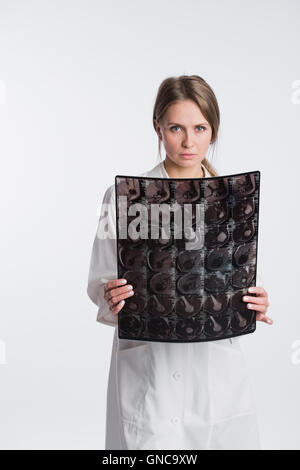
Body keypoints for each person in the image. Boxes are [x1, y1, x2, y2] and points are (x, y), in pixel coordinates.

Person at [87, 75, 272, 450]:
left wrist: (255, 304)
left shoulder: (235, 200)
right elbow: (99, 279)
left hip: (215, 373)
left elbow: (234, 280)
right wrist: (109, 295)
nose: (189, 142)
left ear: (213, 131)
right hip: (150, 369)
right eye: (176, 128)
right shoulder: (123, 196)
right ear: (158, 127)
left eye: (200, 128)